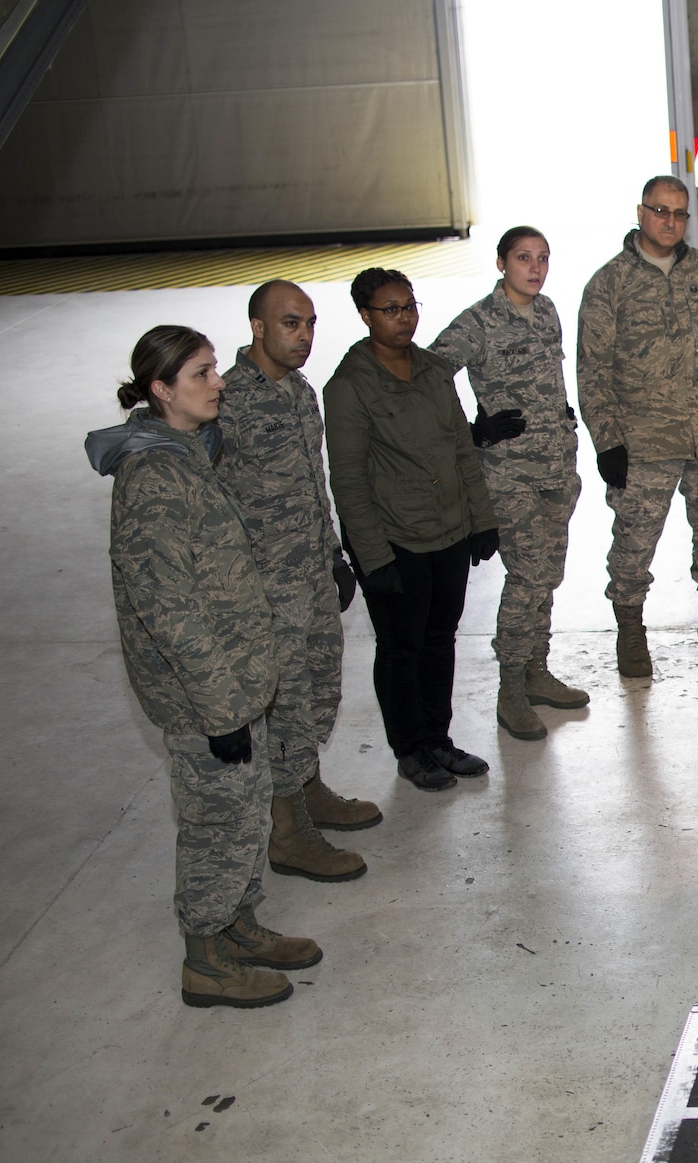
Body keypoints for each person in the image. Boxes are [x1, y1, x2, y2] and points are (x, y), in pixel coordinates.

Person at [86, 325, 321, 1009]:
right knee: (216, 821)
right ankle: (206, 960)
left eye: (216, 368)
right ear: (161, 390)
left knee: (245, 813)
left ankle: (237, 924)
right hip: (205, 697)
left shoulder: (186, 453)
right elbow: (169, 610)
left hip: (235, 683)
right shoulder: (153, 478)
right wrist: (220, 709)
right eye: (201, 373)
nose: (218, 382)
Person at [215, 281, 376, 885]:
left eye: (309, 323)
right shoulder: (227, 402)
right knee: (282, 707)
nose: (304, 335)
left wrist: (334, 555)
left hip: (309, 573)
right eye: (289, 324)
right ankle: (287, 835)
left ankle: (307, 790)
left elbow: (315, 483)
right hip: (264, 587)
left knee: (316, 693)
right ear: (257, 327)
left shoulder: (302, 393)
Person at [578, 176, 698, 679]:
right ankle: (631, 632)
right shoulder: (609, 283)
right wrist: (606, 438)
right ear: (640, 213)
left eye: (680, 214)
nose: (670, 222)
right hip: (644, 440)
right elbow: (592, 369)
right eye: (661, 211)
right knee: (635, 542)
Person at [324, 268, 501, 792]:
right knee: (401, 646)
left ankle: (439, 739)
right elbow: (349, 479)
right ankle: (410, 748)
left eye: (409, 306)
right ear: (365, 315)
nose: (404, 318)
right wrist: (372, 557)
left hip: (447, 530)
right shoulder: (350, 385)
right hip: (395, 538)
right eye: (390, 309)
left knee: (440, 637)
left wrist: (482, 518)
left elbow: (461, 449)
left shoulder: (433, 370)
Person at [431, 226, 590, 743]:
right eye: (524, 258)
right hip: (509, 475)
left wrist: (562, 417)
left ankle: (535, 670)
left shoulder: (546, 312)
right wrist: (472, 431)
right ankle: (510, 691)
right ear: (502, 263)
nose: (535, 268)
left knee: (549, 575)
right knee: (527, 577)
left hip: (556, 469)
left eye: (543, 258)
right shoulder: (478, 322)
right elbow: (429, 375)